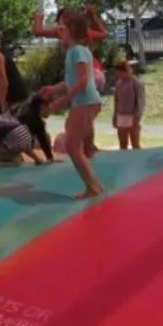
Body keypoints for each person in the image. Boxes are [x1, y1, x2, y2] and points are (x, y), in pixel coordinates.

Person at [40, 12, 106, 200]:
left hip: (86, 102)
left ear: (72, 32)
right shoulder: (74, 51)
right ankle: (94, 185)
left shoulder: (78, 50)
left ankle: (93, 187)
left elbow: (83, 81)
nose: (59, 32)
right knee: (74, 143)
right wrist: (54, 89)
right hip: (84, 102)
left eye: (62, 28)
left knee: (72, 145)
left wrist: (61, 101)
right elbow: (74, 80)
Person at [0, 21, 54, 162]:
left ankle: (18, 158)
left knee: (9, 130)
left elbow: (4, 83)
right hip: (19, 98)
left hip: (18, 100)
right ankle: (40, 157)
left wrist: (0, 107)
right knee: (21, 131)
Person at [0, 96, 41, 165]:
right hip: (28, 142)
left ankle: (9, 160)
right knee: (17, 140)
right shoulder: (8, 117)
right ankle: (36, 158)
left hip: (16, 146)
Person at [112, 59, 146, 150]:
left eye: (120, 72)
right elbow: (116, 100)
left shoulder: (137, 83)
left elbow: (140, 102)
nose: (118, 75)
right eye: (117, 73)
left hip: (133, 116)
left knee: (135, 144)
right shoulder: (119, 83)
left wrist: (137, 117)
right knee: (123, 144)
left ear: (127, 71)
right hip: (121, 115)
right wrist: (115, 116)